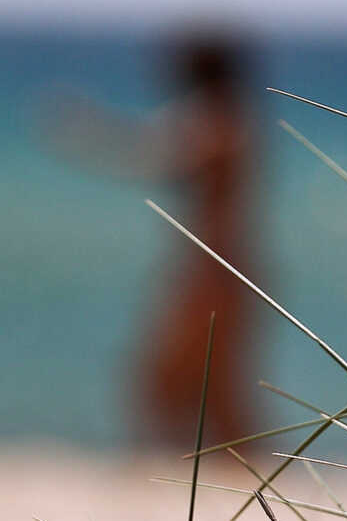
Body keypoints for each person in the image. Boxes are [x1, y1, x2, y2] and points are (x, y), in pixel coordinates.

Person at [43, 25, 261, 451]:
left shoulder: (217, 120)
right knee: (214, 393)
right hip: (223, 269)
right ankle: (221, 481)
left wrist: (82, 128)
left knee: (164, 384)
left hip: (213, 273)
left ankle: (168, 476)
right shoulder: (230, 117)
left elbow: (151, 152)